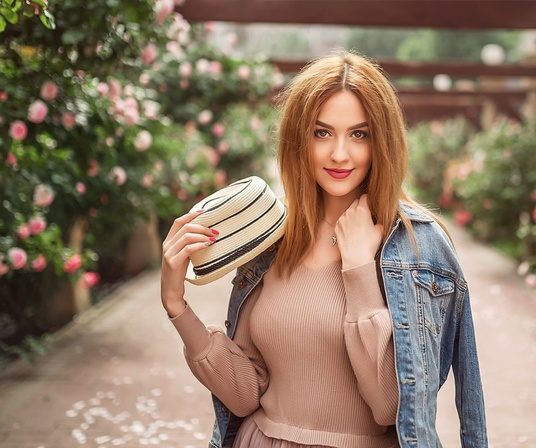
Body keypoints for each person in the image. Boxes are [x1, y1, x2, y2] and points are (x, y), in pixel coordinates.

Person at [160, 50, 488, 448]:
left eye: (359, 134)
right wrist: (178, 307)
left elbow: (390, 406)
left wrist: (359, 270)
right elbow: (247, 394)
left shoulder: (419, 249)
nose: (339, 154)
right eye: (322, 132)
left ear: (382, 141)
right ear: (299, 139)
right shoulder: (273, 242)